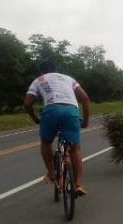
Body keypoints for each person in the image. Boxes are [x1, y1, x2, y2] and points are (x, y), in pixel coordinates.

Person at [23, 60, 91, 196]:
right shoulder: (69, 79)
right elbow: (85, 100)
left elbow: (27, 103)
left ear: (41, 71)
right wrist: (85, 121)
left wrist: (35, 118)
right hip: (71, 112)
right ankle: (78, 184)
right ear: (56, 69)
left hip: (51, 111)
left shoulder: (39, 79)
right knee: (75, 149)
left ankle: (51, 173)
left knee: (46, 142)